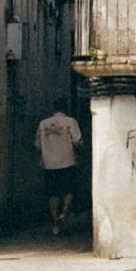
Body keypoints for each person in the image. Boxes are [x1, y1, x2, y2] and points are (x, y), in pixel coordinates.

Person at [35, 97, 82, 235]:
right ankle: (64, 213)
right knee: (69, 190)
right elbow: (77, 141)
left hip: (49, 164)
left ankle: (55, 222)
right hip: (67, 161)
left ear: (53, 109)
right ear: (65, 108)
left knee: (53, 193)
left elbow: (37, 145)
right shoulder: (70, 122)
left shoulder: (43, 124)